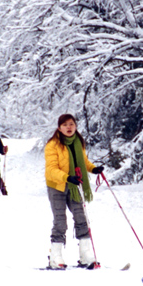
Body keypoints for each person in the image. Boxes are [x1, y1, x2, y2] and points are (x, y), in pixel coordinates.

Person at [44, 113, 104, 269]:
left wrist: (93, 169)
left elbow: (83, 161)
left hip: (74, 185)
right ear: (59, 128)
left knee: (81, 217)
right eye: (65, 125)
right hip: (57, 186)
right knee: (60, 220)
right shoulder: (52, 145)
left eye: (71, 124)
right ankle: (55, 257)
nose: (68, 127)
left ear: (75, 126)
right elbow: (51, 170)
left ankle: (85, 255)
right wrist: (67, 177)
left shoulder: (78, 142)